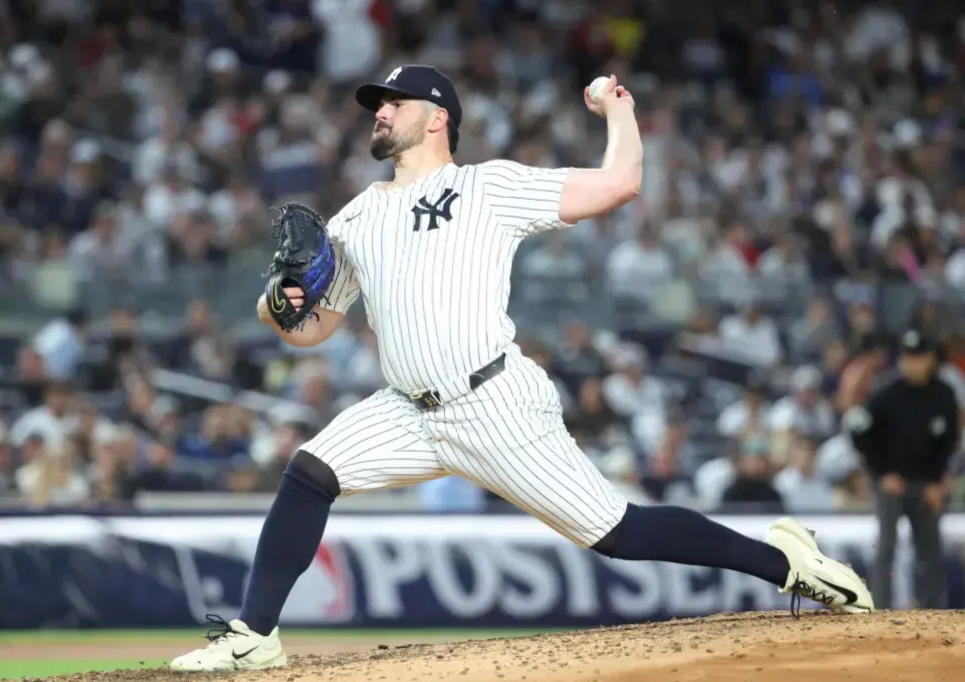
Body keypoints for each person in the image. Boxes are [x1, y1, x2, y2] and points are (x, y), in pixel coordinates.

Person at [170, 65, 873, 672]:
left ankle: (785, 562)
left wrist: (618, 111)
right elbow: (313, 330)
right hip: (406, 410)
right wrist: (277, 304)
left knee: (620, 533)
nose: (379, 112)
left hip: (493, 401)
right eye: (376, 104)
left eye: (394, 102)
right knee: (310, 472)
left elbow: (621, 183)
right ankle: (254, 637)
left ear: (437, 117)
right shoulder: (354, 220)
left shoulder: (488, 186)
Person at [847, 329, 959, 609]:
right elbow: (858, 431)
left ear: (930, 360)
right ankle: (880, 608)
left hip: (926, 485)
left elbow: (949, 442)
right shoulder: (887, 394)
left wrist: (937, 480)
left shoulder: (944, 395)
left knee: (929, 550)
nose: (912, 364)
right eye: (908, 358)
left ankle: (931, 610)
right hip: (893, 485)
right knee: (886, 548)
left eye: (918, 358)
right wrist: (882, 472)